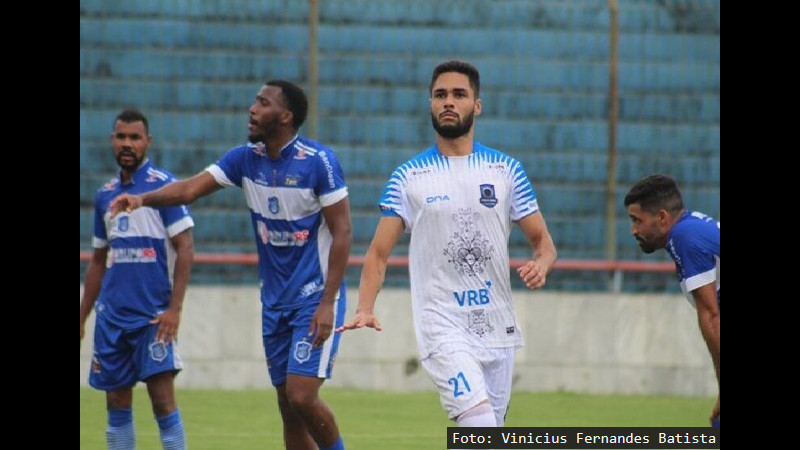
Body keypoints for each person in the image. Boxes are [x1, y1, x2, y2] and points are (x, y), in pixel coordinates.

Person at [109, 81, 351, 450]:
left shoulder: (318, 162)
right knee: (288, 406)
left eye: (263, 102)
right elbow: (189, 189)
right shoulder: (244, 159)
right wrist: (142, 199)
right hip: (275, 301)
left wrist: (327, 302)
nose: (252, 108)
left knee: (302, 395)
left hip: (312, 296)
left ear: (285, 116)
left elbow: (343, 231)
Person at [337, 60, 557, 430]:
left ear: (477, 105)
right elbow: (378, 253)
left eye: (459, 94)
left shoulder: (506, 171)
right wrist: (364, 307)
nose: (448, 102)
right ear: (430, 103)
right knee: (480, 425)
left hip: (496, 325)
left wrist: (542, 264)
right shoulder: (408, 177)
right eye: (440, 95)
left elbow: (544, 243)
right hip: (442, 324)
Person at [80, 109, 195, 450]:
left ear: (148, 142)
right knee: (116, 403)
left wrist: (175, 309)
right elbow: (98, 261)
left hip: (152, 318)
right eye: (121, 137)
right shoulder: (105, 195)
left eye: (134, 137)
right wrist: (83, 315)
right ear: (112, 141)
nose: (127, 144)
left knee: (162, 403)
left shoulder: (165, 188)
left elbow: (185, 247)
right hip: (112, 318)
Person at [624, 174, 720, 427]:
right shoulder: (691, 228)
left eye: (637, 220)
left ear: (662, 217)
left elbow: (712, 316)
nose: (633, 230)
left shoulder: (684, 236)